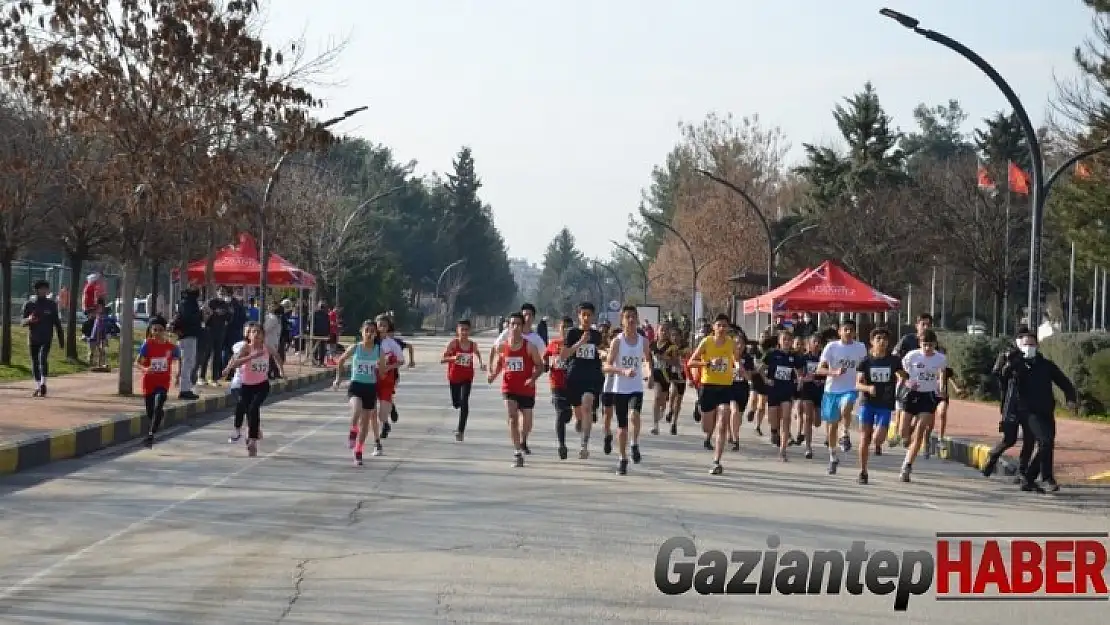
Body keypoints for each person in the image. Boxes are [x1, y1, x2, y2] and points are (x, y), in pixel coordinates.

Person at [985, 328, 1077, 493]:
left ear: (1037, 345)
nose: (1029, 347)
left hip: (1046, 410)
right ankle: (1029, 476)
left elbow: (1064, 382)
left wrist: (1071, 399)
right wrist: (1008, 363)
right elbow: (1002, 377)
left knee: (1047, 444)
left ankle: (1043, 477)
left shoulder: (1045, 365)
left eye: (1032, 344)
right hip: (1028, 412)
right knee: (1042, 442)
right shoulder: (1016, 365)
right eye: (1026, 344)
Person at [488, 312, 544, 467]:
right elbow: (501, 363)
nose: (515, 327)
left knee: (527, 424)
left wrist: (532, 378)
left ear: (523, 326)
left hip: (526, 389)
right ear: (508, 326)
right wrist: (493, 374)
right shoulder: (503, 346)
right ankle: (517, 452)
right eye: (512, 324)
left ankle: (523, 438)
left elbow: (540, 366)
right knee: (512, 417)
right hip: (509, 387)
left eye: (518, 324)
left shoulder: (530, 347)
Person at [687, 314, 740, 475]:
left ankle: (716, 461)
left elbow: (736, 359)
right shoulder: (706, 342)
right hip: (708, 386)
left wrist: (737, 366)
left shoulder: (731, 343)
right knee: (707, 427)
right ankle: (700, 407)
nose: (722, 329)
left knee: (723, 420)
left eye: (725, 326)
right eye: (719, 325)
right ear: (714, 327)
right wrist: (709, 363)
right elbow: (690, 362)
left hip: (725, 386)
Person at [602, 305, 653, 475]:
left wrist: (649, 374)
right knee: (622, 428)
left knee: (635, 415)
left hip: (636, 387)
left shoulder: (643, 341)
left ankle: (634, 443)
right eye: (627, 317)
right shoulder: (617, 341)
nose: (631, 320)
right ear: (622, 320)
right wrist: (622, 371)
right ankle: (622, 459)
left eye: (633, 316)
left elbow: (646, 361)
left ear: (637, 319)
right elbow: (606, 366)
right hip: (620, 389)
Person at [222, 322, 283, 457]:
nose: (256, 334)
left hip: (262, 385)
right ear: (248, 335)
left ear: (263, 336)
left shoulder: (266, 347)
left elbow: (277, 356)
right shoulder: (246, 348)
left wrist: (281, 369)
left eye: (259, 332)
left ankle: (252, 440)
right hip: (246, 385)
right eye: (253, 332)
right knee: (245, 407)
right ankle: (245, 431)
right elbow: (235, 362)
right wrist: (251, 357)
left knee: (253, 408)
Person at [854, 328, 906, 484]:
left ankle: (877, 445)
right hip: (868, 403)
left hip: (885, 403)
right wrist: (868, 388)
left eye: (884, 339)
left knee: (878, 439)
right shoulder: (865, 361)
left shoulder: (894, 360)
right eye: (878, 339)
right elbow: (857, 384)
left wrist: (904, 377)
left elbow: (902, 374)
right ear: (872, 341)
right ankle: (863, 471)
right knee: (864, 438)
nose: (882, 342)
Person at [817, 319, 868, 474]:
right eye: (845, 329)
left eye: (851, 330)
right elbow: (820, 370)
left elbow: (865, 367)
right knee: (832, 427)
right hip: (832, 390)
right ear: (839, 331)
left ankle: (845, 433)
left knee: (847, 405)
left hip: (850, 388)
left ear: (855, 332)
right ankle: (833, 457)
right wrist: (834, 372)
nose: (848, 332)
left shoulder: (860, 348)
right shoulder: (831, 347)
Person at [334, 320, 387, 465]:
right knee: (356, 410)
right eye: (367, 331)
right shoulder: (355, 348)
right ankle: (352, 431)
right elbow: (340, 361)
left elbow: (382, 374)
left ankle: (358, 450)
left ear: (375, 334)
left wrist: (382, 367)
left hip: (370, 388)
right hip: (356, 386)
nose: (369, 334)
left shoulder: (378, 350)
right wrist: (338, 379)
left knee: (365, 423)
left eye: (372, 331)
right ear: (361, 332)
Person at [898, 329, 948, 483]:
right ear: (920, 344)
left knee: (920, 433)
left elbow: (942, 375)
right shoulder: (912, 356)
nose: (928, 348)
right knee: (903, 433)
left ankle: (907, 465)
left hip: (928, 397)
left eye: (931, 345)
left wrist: (941, 388)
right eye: (925, 345)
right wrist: (907, 382)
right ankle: (908, 432)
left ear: (935, 345)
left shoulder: (940, 358)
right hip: (912, 394)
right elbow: (901, 373)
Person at [561, 302, 606, 459]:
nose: (586, 317)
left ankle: (584, 445)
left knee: (587, 405)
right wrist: (580, 342)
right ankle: (579, 419)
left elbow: (600, 349)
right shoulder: (572, 333)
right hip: (575, 376)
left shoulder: (597, 334)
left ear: (593, 316)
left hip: (592, 376)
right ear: (578, 315)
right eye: (583, 314)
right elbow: (564, 354)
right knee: (579, 410)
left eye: (589, 314)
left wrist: (602, 353)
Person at [136, 315, 181, 447]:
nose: (157, 333)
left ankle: (151, 434)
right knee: (151, 412)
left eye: (160, 330)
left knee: (159, 402)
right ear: (150, 330)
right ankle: (157, 418)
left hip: (163, 382)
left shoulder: (171, 347)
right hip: (149, 382)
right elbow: (138, 362)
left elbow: (178, 360)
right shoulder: (147, 345)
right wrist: (145, 369)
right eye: (154, 330)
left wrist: (178, 375)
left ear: (165, 331)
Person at [759, 330, 804, 461]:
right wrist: (766, 380)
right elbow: (760, 369)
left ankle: (783, 451)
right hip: (774, 390)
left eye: (789, 340)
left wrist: (800, 379)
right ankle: (774, 431)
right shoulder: (772, 354)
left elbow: (800, 371)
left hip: (787, 391)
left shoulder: (794, 356)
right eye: (784, 339)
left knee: (786, 418)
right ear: (779, 341)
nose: (787, 342)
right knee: (774, 418)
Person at [441, 319, 485, 441]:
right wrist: (454, 358)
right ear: (458, 330)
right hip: (454, 377)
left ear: (470, 331)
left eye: (466, 330)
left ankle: (460, 431)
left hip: (467, 377)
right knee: (456, 404)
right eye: (462, 329)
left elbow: (478, 353)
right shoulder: (453, 344)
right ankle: (458, 404)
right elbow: (443, 359)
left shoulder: (472, 345)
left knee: (464, 401)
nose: (464, 332)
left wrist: (481, 364)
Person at [21, 280, 65, 398]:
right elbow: (22, 321)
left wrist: (61, 339)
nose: (44, 291)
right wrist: (29, 320)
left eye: (46, 289)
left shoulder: (51, 304)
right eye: (41, 289)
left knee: (42, 359)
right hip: (33, 338)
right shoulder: (29, 304)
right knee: (35, 362)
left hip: (46, 337)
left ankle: (43, 383)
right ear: (36, 290)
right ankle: (38, 386)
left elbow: (57, 322)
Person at [544, 316, 574, 459]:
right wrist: (545, 364)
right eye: (563, 327)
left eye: (568, 328)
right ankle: (562, 444)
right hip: (556, 383)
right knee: (561, 415)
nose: (565, 330)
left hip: (572, 384)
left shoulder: (575, 345)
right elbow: (545, 355)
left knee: (567, 415)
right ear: (558, 328)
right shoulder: (554, 343)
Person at [172, 285, 203, 400]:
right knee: (187, 362)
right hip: (188, 334)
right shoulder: (188, 303)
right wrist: (199, 315)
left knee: (189, 362)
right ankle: (184, 389)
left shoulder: (187, 302)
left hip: (189, 334)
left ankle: (186, 387)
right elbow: (187, 318)